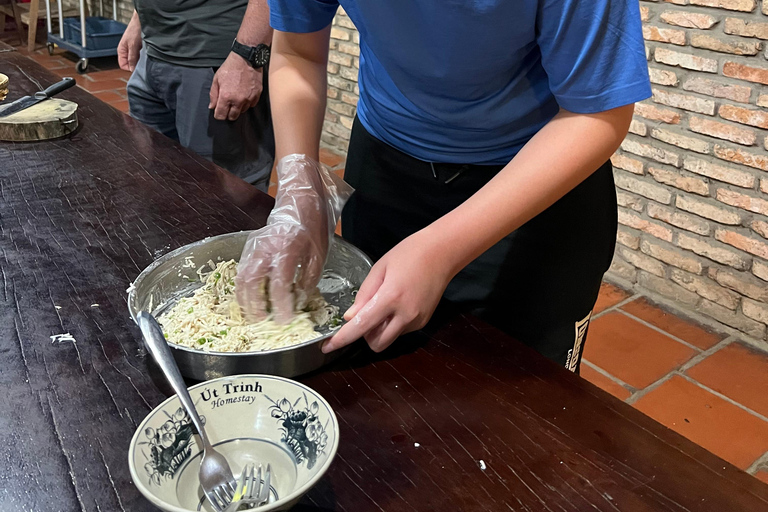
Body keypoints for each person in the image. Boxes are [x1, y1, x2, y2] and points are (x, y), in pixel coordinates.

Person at [236, 0, 651, 373]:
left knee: (525, 404)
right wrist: (298, 190)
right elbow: (296, 53)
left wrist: (440, 249)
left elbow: (597, 113)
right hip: (385, 169)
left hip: (531, 194)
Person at [117, 0, 275, 190]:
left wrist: (247, 56)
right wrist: (138, 20)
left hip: (216, 59)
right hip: (152, 51)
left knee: (225, 192)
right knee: (157, 179)